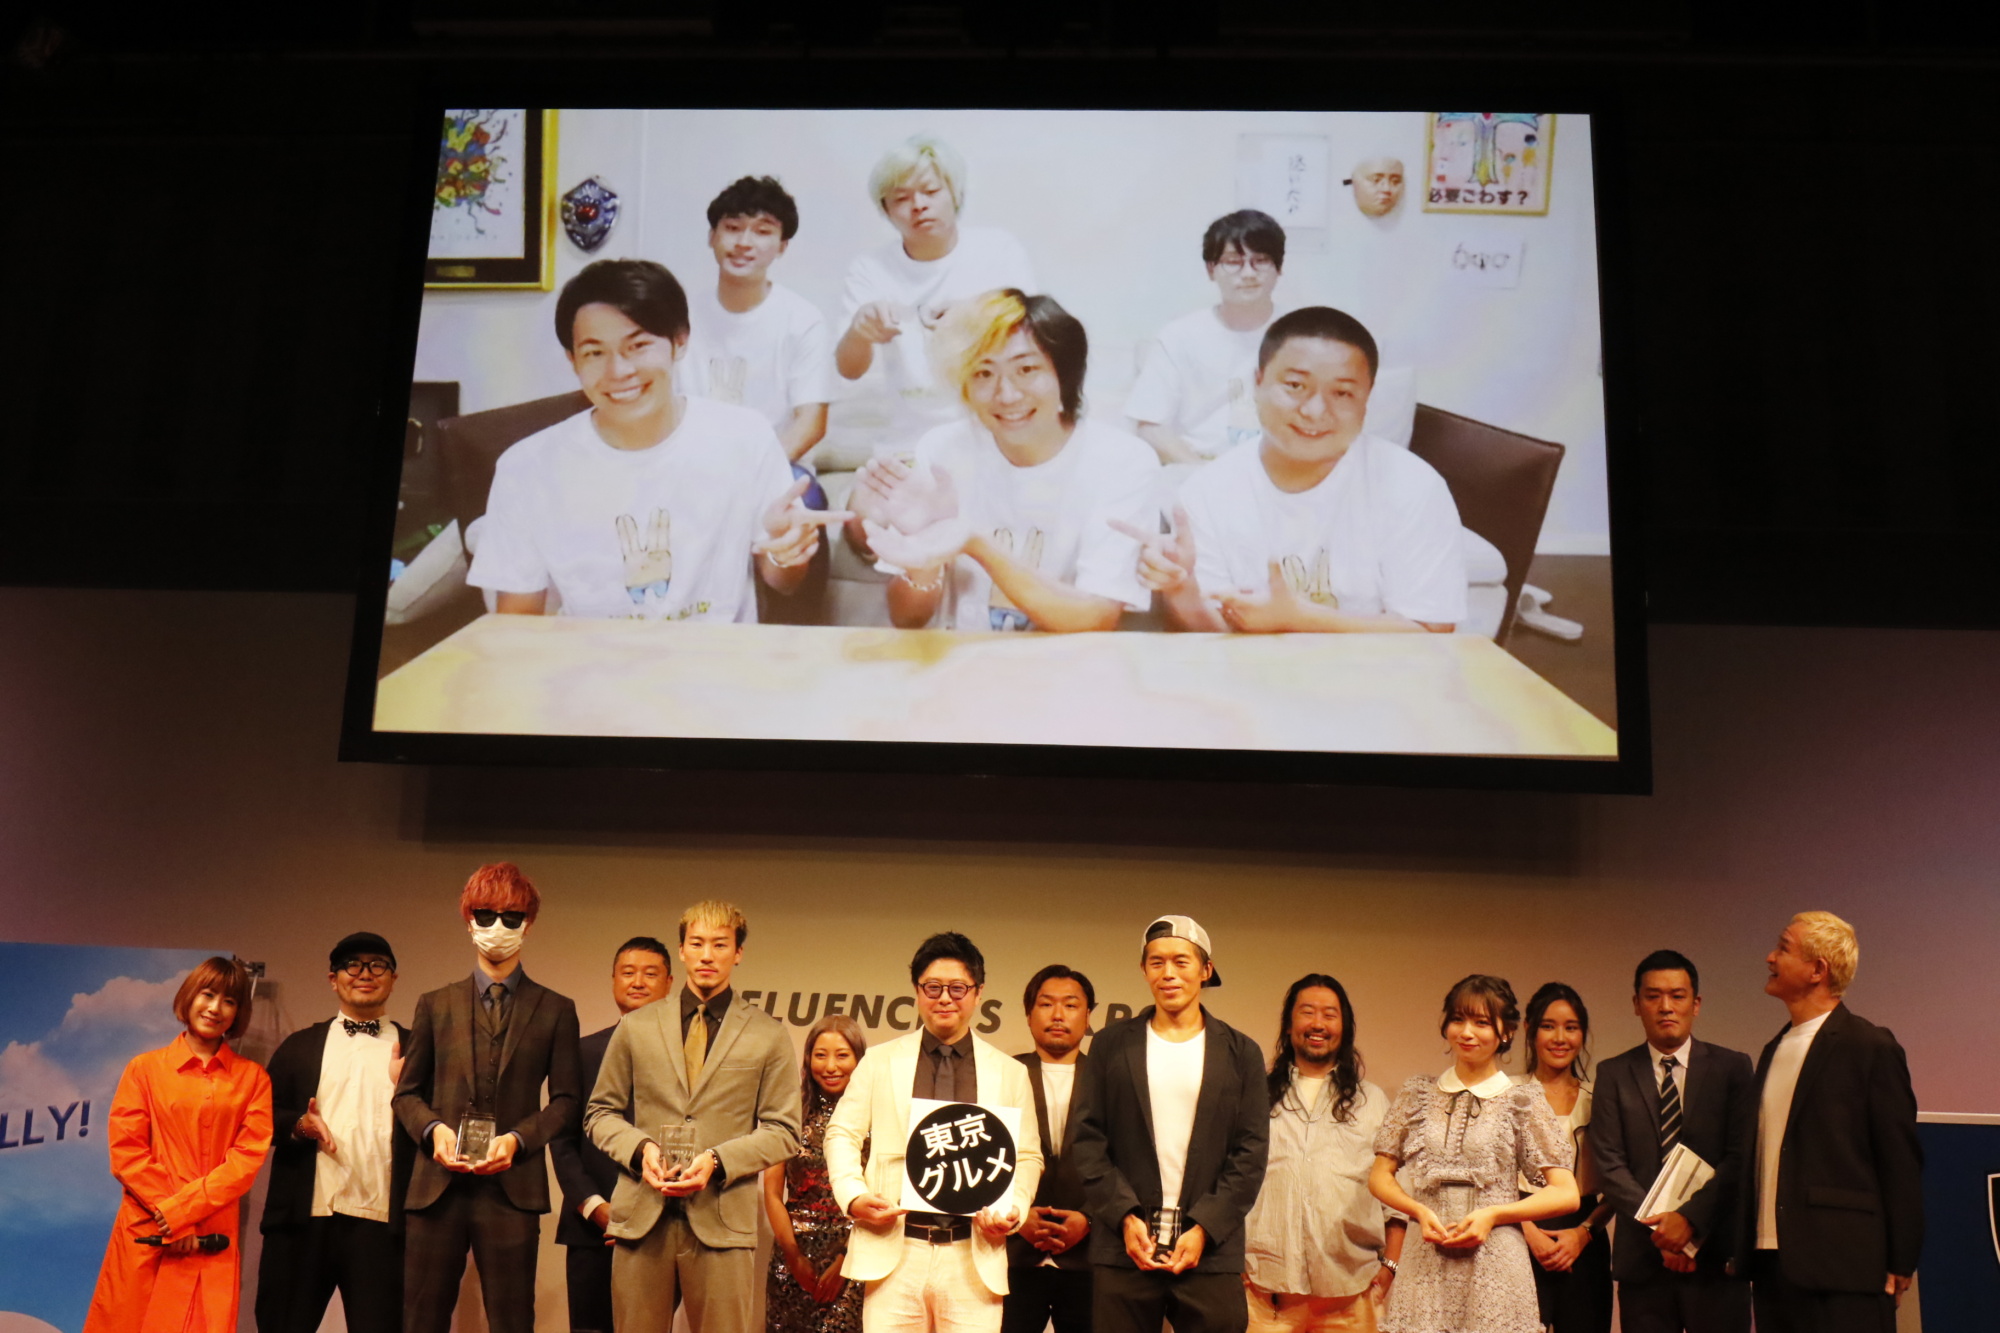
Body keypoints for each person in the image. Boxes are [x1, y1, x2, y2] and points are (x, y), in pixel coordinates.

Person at [466, 257, 847, 622]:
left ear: (680, 342)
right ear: (572, 359)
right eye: (595, 352)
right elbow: (517, 623)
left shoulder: (744, 437)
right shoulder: (527, 468)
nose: (619, 371)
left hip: (714, 659)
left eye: (638, 346)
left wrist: (786, 552)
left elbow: (784, 583)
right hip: (589, 660)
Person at [1123, 306, 1467, 635]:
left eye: (1342, 393)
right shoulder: (1207, 492)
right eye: (1295, 386)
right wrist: (1181, 590)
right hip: (1250, 672)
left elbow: (1432, 628)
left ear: (1367, 398)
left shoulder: (1412, 486)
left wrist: (1298, 619)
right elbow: (1214, 632)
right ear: (1257, 383)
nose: (1315, 411)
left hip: (1380, 671)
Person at [851, 289, 1157, 632]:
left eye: (1026, 369)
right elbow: (907, 618)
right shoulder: (943, 450)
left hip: (1069, 660)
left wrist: (975, 544)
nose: (1007, 394)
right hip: (962, 658)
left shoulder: (1122, 462)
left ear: (1064, 374)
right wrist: (924, 563)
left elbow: (1095, 617)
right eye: (983, 373)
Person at [585, 902, 803, 1333]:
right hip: (643, 1217)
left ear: (738, 953)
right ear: (682, 950)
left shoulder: (768, 1034)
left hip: (721, 1221)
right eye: (697, 943)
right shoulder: (637, 1026)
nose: (707, 955)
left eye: (719, 945)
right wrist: (640, 1150)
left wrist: (717, 1161)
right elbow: (600, 1112)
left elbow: (784, 1131)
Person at [393, 863, 583, 1333]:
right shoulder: (434, 1004)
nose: (497, 927)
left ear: (528, 924)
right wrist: (433, 1130)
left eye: (511, 917)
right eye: (486, 915)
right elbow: (406, 1094)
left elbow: (566, 1100)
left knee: (512, 1320)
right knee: (421, 1319)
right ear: (468, 920)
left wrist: (518, 1140)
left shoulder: (556, 1009)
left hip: (511, 1187)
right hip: (437, 1185)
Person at [824, 931, 1045, 1333]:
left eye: (958, 988)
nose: (945, 998)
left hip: (973, 1255)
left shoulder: (1009, 1072)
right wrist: (853, 1196)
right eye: (933, 987)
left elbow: (1028, 1155)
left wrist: (1013, 1209)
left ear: (978, 993)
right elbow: (841, 1133)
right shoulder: (879, 1061)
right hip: (895, 1249)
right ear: (917, 991)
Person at [1071, 916, 1269, 1333]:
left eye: (1181, 961)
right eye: (1157, 962)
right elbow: (1088, 1140)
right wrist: (1125, 1217)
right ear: (1144, 970)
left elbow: (1250, 1154)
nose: (1169, 973)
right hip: (1125, 1248)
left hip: (1210, 1252)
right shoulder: (1110, 1045)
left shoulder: (1241, 1053)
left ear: (1206, 969)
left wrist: (1205, 1229)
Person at [1737, 912, 1922, 1333]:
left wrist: (1902, 1258)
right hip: (1772, 1264)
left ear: (1817, 970)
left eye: (1783, 948)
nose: (1770, 957)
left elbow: (1900, 1161)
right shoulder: (1773, 1048)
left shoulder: (1869, 1046)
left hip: (1845, 1267)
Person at [1366, 974, 1579, 1333]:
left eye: (1481, 1022)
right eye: (1458, 1019)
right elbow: (1378, 1176)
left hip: (1496, 1263)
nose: (1467, 1032)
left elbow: (1567, 1193)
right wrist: (1418, 1211)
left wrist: (1494, 1214)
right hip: (1425, 1259)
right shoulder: (1418, 1093)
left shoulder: (1521, 1100)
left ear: (1506, 1032)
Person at [84, 956, 273, 1333]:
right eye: (208, 994)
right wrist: (171, 1215)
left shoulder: (253, 1079)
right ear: (189, 996)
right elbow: (128, 1152)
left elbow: (245, 1161)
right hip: (149, 1232)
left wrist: (182, 1212)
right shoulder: (144, 1069)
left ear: (238, 1013)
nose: (215, 1008)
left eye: (229, 1001)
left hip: (211, 1239)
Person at [835, 134, 1038, 455]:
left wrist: (972, 315)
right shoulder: (870, 269)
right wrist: (860, 331)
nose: (918, 205)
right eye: (901, 198)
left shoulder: (999, 250)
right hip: (911, 443)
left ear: (955, 195)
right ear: (886, 210)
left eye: (930, 192)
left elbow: (1034, 335)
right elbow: (849, 369)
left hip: (997, 436)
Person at [256, 933, 413, 1333]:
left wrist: (412, 1095)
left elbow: (439, 1127)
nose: (365, 973)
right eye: (352, 965)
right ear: (333, 979)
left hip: (384, 1225)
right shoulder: (299, 1046)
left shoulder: (417, 1049)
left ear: (393, 978)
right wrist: (299, 1125)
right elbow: (260, 1117)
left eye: (377, 965)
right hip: (304, 1220)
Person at [1591, 951, 1754, 1333]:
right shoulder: (1613, 1073)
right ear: (1637, 1004)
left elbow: (1740, 1158)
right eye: (1653, 996)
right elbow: (1610, 1164)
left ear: (1696, 1004)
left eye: (1677, 996)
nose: (1666, 1006)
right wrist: (1664, 1232)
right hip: (1643, 1263)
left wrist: (1689, 1222)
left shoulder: (1733, 1068)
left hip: (1715, 1258)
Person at [1242, 973, 1403, 1333]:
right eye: (1307, 1012)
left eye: (1330, 1015)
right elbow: (1231, 1183)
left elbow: (1396, 1197)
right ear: (1288, 1025)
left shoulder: (1372, 1102)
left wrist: (1390, 1266)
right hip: (1265, 1298)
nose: (1318, 1024)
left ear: (1345, 1028)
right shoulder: (1254, 1096)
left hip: (1351, 1298)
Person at [550, 936, 674, 1333]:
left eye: (650, 973)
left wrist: (651, 1215)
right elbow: (562, 1141)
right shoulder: (581, 1052)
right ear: (613, 980)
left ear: (670, 983)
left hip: (662, 1229)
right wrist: (596, 1208)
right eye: (628, 972)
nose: (637, 982)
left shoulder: (691, 1058)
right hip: (592, 1228)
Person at [682, 175, 833, 468]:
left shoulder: (803, 322)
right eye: (732, 228)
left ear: (782, 246)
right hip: (694, 468)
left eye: (763, 232)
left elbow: (810, 424)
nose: (744, 243)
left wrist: (751, 476)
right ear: (712, 236)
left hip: (778, 468)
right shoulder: (679, 317)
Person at [1124, 210, 1288, 464]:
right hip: (1195, 464)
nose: (1248, 273)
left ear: (1278, 267)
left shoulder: (1302, 336)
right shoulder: (1180, 336)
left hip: (1279, 467)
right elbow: (1150, 426)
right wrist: (1202, 474)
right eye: (1233, 262)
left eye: (1261, 260)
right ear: (1211, 269)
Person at [1001, 965, 1097, 1333]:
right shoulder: (1003, 1075)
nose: (1058, 1015)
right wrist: (1016, 1216)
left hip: (1090, 1259)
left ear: (1088, 1016)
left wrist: (1089, 1219)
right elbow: (978, 1160)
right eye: (1046, 1004)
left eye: (1070, 1005)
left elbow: (1130, 1163)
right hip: (1012, 1256)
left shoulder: (1110, 1080)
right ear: (1028, 1014)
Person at [1515, 983, 1612, 1333]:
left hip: (1584, 1236)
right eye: (1548, 1026)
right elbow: (1487, 1178)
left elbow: (1621, 1180)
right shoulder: (1507, 1095)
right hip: (1515, 1234)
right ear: (1529, 1029)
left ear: (1582, 1034)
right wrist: (1527, 1232)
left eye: (1571, 1027)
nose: (1560, 1038)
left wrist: (1584, 1234)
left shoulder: (1599, 1098)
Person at [765, 1014, 870, 1333]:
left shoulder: (875, 1116)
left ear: (859, 1059)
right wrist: (794, 1258)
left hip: (856, 1255)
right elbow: (772, 1194)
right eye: (821, 1055)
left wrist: (847, 1260)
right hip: (792, 1256)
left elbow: (883, 1192)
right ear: (808, 1058)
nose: (831, 1066)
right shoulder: (789, 1113)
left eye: (842, 1055)